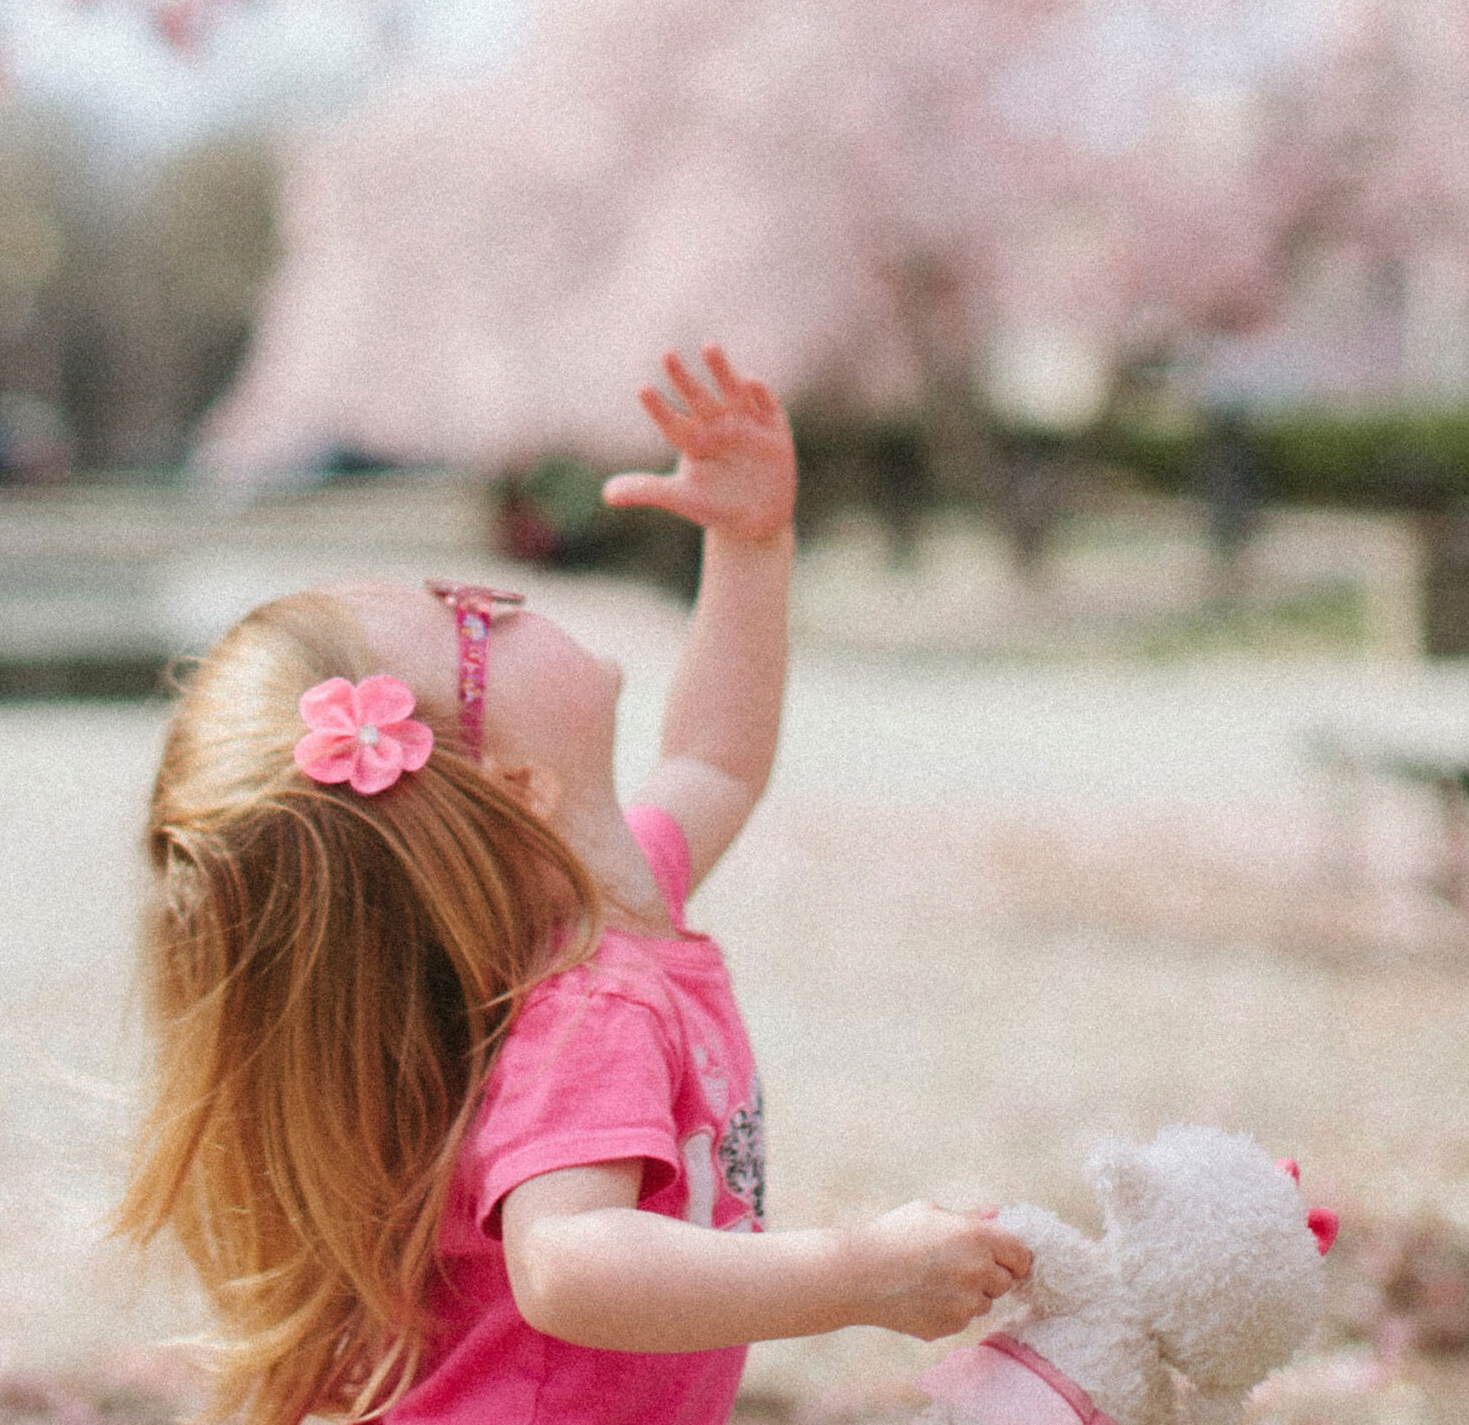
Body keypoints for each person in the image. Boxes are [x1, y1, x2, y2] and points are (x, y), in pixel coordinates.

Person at [118, 345, 1030, 1425]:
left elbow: (715, 760)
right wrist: (855, 1274)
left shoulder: (620, 901)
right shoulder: (588, 1009)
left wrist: (748, 545)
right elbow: (568, 1262)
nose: (503, 594)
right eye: (473, 617)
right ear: (517, 784)